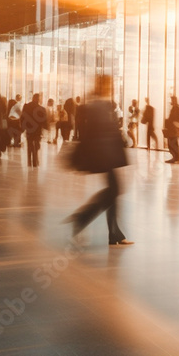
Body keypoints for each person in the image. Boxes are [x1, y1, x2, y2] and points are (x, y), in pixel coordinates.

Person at [65, 76, 133, 246]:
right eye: (109, 84)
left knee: (113, 192)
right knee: (114, 191)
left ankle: (114, 234)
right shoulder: (97, 105)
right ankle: (82, 218)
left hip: (106, 155)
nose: (112, 87)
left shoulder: (100, 103)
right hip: (104, 156)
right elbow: (95, 133)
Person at [21, 93, 47, 168]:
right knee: (36, 144)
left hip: (29, 128)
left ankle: (29, 161)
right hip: (37, 129)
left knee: (29, 144)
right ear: (38, 99)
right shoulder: (42, 109)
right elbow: (44, 120)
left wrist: (23, 127)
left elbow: (22, 117)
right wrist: (44, 128)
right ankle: (35, 161)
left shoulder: (26, 106)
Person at [164, 96, 179, 163]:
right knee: (172, 143)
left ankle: (176, 158)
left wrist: (168, 121)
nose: (170, 102)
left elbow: (175, 118)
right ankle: (175, 158)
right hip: (172, 128)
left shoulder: (176, 108)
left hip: (173, 129)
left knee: (172, 143)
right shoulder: (176, 108)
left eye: (171, 100)